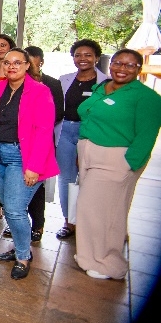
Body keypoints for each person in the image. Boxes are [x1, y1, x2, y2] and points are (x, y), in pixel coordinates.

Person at [74, 49, 161, 280]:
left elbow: (146, 136)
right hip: (89, 152)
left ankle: (108, 263)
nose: (122, 69)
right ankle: (89, 256)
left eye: (130, 65)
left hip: (114, 158)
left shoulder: (146, 97)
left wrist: (128, 165)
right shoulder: (102, 88)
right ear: (110, 64)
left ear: (139, 69)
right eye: (118, 63)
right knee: (91, 209)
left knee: (106, 212)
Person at [0, 48, 58, 280]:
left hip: (23, 157)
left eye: (17, 62)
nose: (11, 66)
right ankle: (21, 246)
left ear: (27, 65)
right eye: (7, 62)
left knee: (14, 209)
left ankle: (22, 256)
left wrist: (34, 167)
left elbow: (44, 131)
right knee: (9, 206)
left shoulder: (40, 91)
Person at [54, 39, 106, 240]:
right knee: (66, 178)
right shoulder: (64, 80)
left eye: (88, 55)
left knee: (90, 178)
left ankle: (88, 221)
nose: (82, 59)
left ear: (96, 58)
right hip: (65, 131)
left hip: (91, 134)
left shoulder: (106, 83)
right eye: (78, 55)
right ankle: (69, 221)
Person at [21, 46, 65, 242]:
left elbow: (57, 114)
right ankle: (19, 224)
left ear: (40, 62)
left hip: (39, 142)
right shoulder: (12, 84)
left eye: (32, 61)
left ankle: (37, 224)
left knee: (36, 188)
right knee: (16, 191)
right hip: (18, 144)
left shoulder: (50, 84)